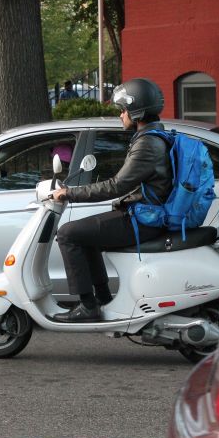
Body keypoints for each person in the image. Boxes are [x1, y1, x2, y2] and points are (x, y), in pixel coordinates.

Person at [49, 78, 172, 322]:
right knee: (84, 235)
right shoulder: (153, 136)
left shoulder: (147, 144)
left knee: (67, 233)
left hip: (144, 219)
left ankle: (88, 306)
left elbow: (116, 186)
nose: (121, 115)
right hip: (145, 214)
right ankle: (103, 298)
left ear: (136, 110)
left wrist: (68, 193)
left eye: (123, 110)